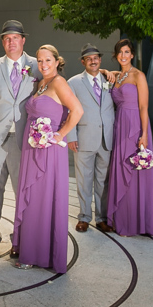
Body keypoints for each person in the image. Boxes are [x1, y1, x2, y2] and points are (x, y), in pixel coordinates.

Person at [11, 45, 83, 272]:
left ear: (57, 61)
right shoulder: (40, 83)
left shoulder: (59, 82)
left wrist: (59, 134)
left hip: (49, 150)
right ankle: (30, 250)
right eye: (40, 60)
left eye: (48, 60)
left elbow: (77, 111)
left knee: (44, 199)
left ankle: (42, 255)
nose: (43, 64)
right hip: (32, 146)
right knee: (33, 198)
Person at [0, 20, 39, 259]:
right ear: (3, 42)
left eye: (15, 38)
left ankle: (20, 240)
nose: (11, 42)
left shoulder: (37, 65)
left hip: (24, 141)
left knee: (22, 193)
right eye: (6, 38)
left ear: (23, 40)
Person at [103, 38, 153, 236]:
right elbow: (99, 72)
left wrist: (144, 134)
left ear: (132, 54)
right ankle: (121, 219)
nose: (123, 55)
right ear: (116, 55)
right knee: (120, 170)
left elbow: (144, 106)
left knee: (134, 174)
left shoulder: (138, 76)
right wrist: (106, 72)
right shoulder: (117, 76)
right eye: (120, 52)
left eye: (127, 52)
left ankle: (137, 222)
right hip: (120, 125)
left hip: (135, 126)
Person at [65, 44, 114, 233]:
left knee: (103, 181)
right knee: (83, 180)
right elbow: (70, 110)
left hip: (107, 138)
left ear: (100, 60)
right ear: (83, 61)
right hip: (84, 138)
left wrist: (107, 72)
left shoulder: (110, 79)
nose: (93, 61)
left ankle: (101, 218)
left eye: (96, 58)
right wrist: (71, 136)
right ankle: (84, 217)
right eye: (89, 58)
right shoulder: (74, 82)